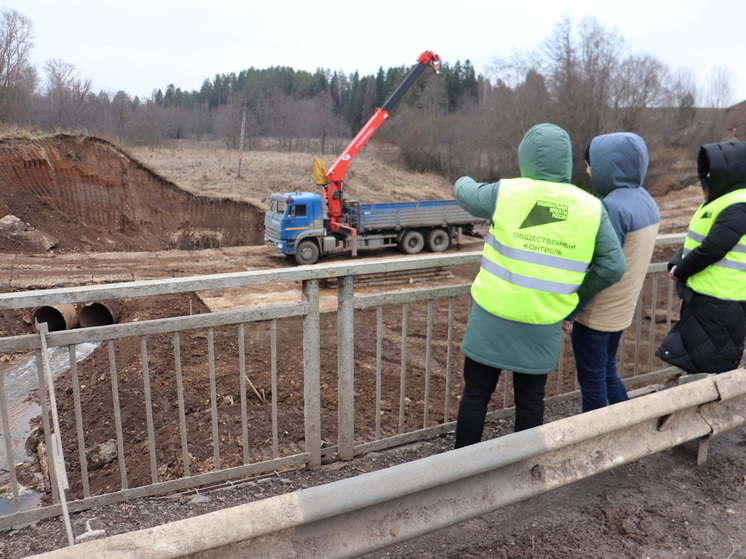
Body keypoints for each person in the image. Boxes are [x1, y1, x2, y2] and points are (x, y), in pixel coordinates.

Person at [453, 123, 626, 448]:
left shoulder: (508, 192)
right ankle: (522, 473)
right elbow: (613, 266)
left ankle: (459, 471)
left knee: (476, 395)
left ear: (526, 157)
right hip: (543, 322)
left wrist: (462, 178)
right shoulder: (591, 207)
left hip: (492, 317)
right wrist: (574, 299)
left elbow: (465, 193)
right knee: (531, 402)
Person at [568, 133, 660, 412]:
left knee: (593, 381)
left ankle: (596, 439)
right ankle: (625, 427)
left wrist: (571, 309)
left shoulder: (612, 208)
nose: (587, 170)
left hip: (597, 314)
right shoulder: (646, 201)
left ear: (610, 166)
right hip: (622, 311)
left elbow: (600, 266)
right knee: (608, 371)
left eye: (591, 164)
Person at [656, 140, 746, 374]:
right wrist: (677, 261)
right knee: (700, 361)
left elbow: (713, 248)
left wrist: (680, 270)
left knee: (712, 367)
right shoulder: (725, 200)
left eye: (713, 169)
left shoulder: (739, 205)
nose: (706, 174)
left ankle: (708, 409)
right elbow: (698, 240)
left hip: (722, 299)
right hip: (709, 297)